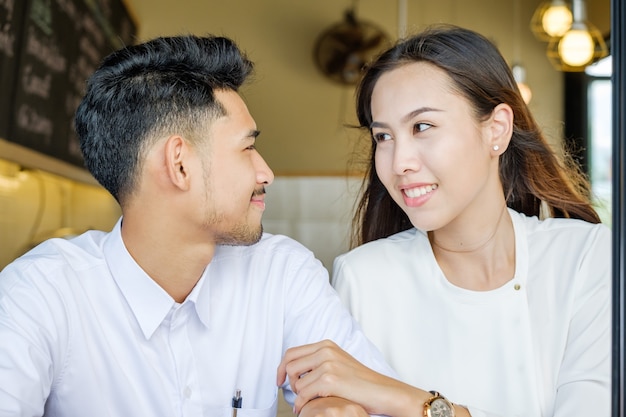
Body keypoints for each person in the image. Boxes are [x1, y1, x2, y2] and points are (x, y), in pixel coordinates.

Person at [0, 35, 395, 417]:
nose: (266, 172)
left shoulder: (281, 272)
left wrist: (334, 405)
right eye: (248, 147)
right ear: (180, 164)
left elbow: (377, 404)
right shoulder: (40, 292)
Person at [277, 25, 611, 417]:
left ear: (497, 130)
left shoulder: (585, 256)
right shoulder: (363, 277)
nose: (399, 161)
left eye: (422, 127)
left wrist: (411, 401)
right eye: (383, 137)